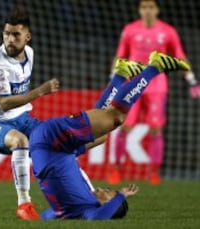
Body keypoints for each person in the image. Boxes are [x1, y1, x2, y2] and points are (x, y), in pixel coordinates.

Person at [30, 52, 190, 220]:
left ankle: (156, 66)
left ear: (108, 206)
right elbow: (45, 216)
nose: (103, 189)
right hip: (54, 150)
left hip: (51, 141)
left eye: (107, 194)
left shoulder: (86, 210)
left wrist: (121, 195)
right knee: (104, 135)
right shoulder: (70, 210)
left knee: (116, 117)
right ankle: (122, 74)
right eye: (108, 191)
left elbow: (101, 216)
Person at [0, 6, 59, 220]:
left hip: (22, 118)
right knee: (20, 141)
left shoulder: (29, 54)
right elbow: (4, 103)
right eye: (6, 34)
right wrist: (40, 91)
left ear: (27, 37)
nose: (9, 39)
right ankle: (24, 205)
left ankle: (75, 197)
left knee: (58, 141)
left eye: (15, 34)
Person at [108, 0, 200, 185]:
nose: (147, 11)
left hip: (156, 84)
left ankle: (154, 172)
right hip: (132, 82)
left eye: (151, 7)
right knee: (123, 124)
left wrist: (192, 81)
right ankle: (116, 169)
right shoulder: (130, 30)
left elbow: (179, 56)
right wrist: (113, 80)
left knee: (155, 128)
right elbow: (121, 55)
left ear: (157, 10)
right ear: (140, 10)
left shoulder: (167, 31)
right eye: (144, 7)